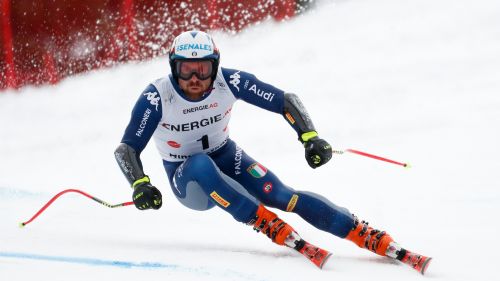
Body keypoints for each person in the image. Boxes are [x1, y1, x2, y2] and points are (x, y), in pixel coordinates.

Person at [114, 30, 431, 273]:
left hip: (226, 156)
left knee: (282, 194)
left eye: (202, 69)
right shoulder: (157, 97)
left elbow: (285, 100)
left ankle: (363, 232)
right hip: (188, 180)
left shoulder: (231, 81)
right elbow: (127, 148)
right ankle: (262, 220)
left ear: (216, 66)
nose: (195, 79)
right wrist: (140, 183)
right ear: (173, 68)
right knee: (199, 164)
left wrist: (309, 135)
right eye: (186, 71)